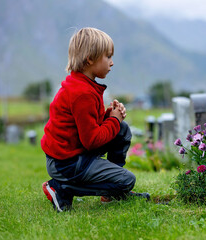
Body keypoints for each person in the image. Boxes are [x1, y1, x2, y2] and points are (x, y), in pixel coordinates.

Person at [41, 27, 149, 212]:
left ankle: (111, 194)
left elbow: (87, 123)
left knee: (121, 130)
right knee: (127, 180)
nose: (112, 63)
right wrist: (113, 120)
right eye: (108, 56)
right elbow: (91, 141)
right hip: (66, 163)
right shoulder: (82, 93)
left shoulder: (83, 85)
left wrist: (109, 115)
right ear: (90, 58)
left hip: (72, 154)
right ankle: (61, 189)